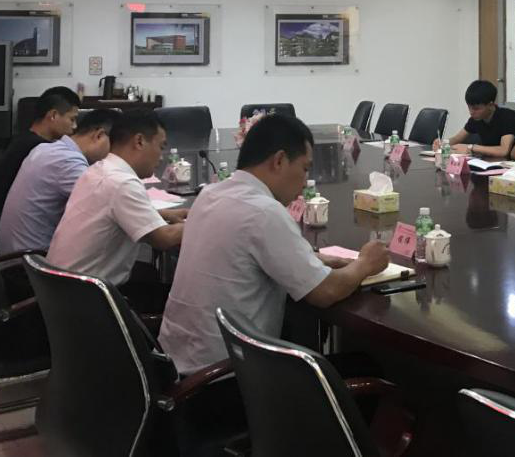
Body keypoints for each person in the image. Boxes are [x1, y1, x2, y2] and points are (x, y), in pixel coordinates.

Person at [159, 113, 390, 375]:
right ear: (279, 160)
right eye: (304, 169)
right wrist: (365, 264)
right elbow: (325, 292)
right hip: (228, 377)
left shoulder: (211, 193)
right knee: (368, 368)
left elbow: (243, 252)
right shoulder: (264, 211)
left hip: (177, 366)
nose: (304, 182)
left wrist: (313, 259)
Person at [46, 110, 187, 302]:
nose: (161, 157)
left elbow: (111, 211)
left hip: (60, 287)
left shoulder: (98, 169)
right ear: (139, 141)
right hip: (89, 298)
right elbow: (163, 239)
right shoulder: (122, 182)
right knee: (180, 295)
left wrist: (164, 215)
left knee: (149, 275)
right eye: (161, 147)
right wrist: (203, 219)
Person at [0, 108, 116, 253]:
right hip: (31, 260)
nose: (114, 154)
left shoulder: (47, 148)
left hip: (16, 252)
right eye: (115, 146)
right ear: (99, 135)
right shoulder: (68, 161)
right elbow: (109, 204)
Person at [0, 86, 81, 227]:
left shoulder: (24, 139)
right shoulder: (40, 150)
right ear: (53, 115)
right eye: (72, 119)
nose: (74, 126)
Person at [435, 80, 515, 160]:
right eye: (469, 107)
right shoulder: (475, 119)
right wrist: (443, 143)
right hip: (488, 162)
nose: (471, 112)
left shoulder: (507, 117)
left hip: (511, 165)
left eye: (476, 108)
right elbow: (457, 138)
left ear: (490, 105)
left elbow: (504, 151)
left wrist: (471, 147)